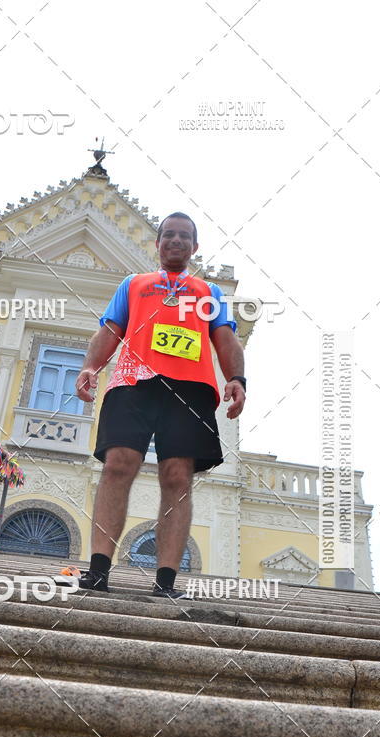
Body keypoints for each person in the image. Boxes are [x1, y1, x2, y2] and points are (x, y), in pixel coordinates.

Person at [75, 212, 246, 599]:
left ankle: (165, 581)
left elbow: (225, 339)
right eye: (168, 234)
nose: (176, 241)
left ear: (195, 247)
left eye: (185, 236)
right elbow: (110, 329)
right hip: (133, 382)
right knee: (118, 465)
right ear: (157, 243)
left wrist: (236, 378)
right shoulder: (134, 284)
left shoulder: (209, 292)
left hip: (190, 388)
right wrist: (91, 366)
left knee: (177, 477)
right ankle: (99, 570)